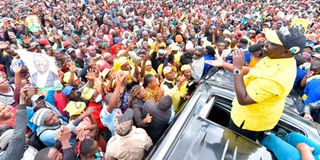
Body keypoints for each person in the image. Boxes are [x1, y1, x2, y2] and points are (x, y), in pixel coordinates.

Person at [207, 27, 306, 141]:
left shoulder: (277, 78)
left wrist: (237, 68)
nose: (266, 44)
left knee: (233, 145)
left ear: (287, 51)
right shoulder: (276, 57)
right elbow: (253, 72)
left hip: (249, 123)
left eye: (272, 43)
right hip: (246, 112)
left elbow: (244, 99)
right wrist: (224, 64)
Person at [0, 85, 29, 160]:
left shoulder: (15, 110)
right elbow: (18, 135)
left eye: (4, 107)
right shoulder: (3, 129)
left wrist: (25, 98)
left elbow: (27, 111)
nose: (6, 109)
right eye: (1, 110)